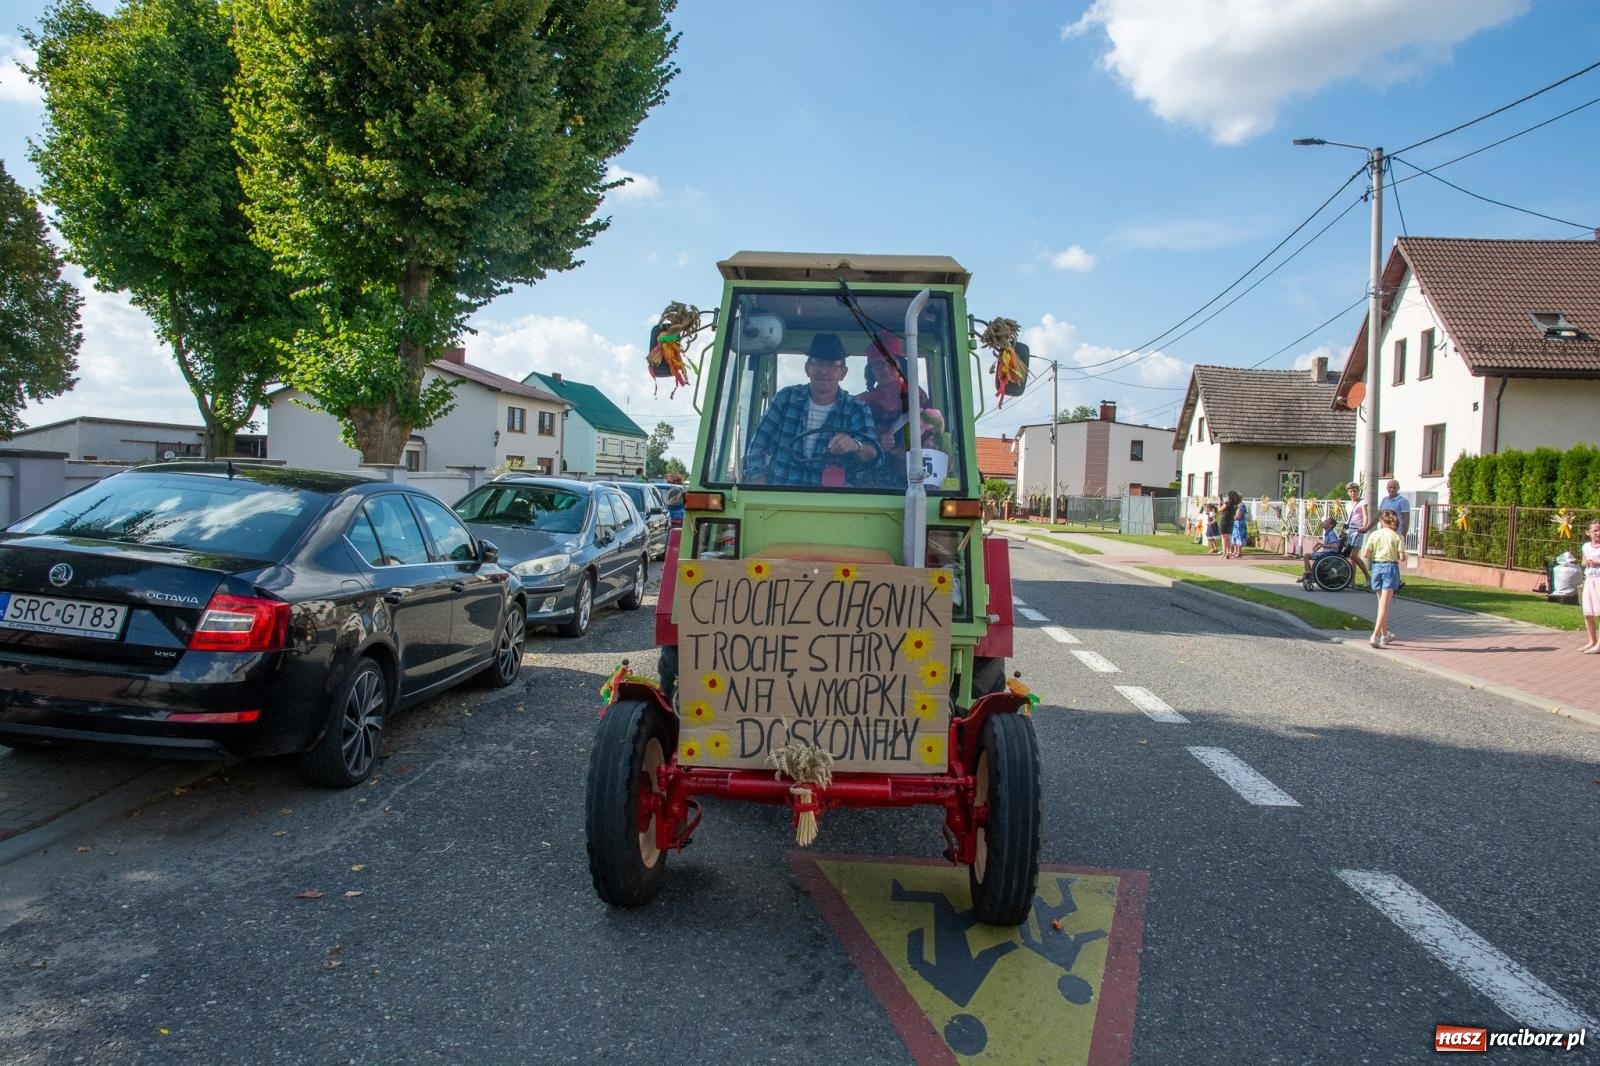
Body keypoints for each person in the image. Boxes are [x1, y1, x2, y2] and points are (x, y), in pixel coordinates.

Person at [741, 333, 879, 486]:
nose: (824, 371)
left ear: (843, 373)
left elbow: (875, 456)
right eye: (818, 363)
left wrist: (856, 445)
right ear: (807, 368)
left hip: (833, 499)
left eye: (832, 365)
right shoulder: (785, 399)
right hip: (780, 494)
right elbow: (757, 447)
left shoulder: (857, 409)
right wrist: (759, 482)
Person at [856, 329, 940, 487]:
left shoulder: (916, 396)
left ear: (901, 365)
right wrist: (878, 443)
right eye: (878, 364)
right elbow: (856, 439)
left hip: (912, 472)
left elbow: (932, 431)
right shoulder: (862, 401)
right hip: (873, 472)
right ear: (871, 371)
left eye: (890, 362)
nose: (884, 368)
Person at [1362, 509, 1406, 648]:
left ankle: (1385, 635)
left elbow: (1366, 554)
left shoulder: (1374, 534)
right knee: (1384, 606)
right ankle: (1375, 635)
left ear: (1381, 521)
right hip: (1390, 568)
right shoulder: (1397, 536)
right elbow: (1402, 557)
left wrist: (1377, 554)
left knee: (1381, 604)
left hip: (1377, 567)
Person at [1342, 481, 1371, 589]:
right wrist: (1345, 525)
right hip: (1350, 530)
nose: (1353, 493)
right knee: (1351, 558)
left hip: (1358, 530)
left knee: (1353, 555)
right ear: (1348, 492)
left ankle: (1368, 576)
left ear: (1358, 492)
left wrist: (1364, 526)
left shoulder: (1362, 502)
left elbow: (1365, 515)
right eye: (1351, 491)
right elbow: (1350, 517)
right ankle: (1352, 581)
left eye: (1355, 491)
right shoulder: (1348, 504)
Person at [1582, 520, 1600, 654]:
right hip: (1589, 580)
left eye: (1599, 530)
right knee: (1588, 613)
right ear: (1588, 533)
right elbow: (1583, 561)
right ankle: (1592, 641)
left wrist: (1597, 562)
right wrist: (1586, 562)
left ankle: (1599, 645)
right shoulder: (1586, 546)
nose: (1598, 533)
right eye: (1595, 530)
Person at [1227, 492, 1249, 559]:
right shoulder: (1238, 505)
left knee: (1239, 536)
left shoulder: (1241, 505)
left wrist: (1232, 517)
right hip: (1237, 523)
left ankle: (1239, 552)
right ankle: (1235, 551)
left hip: (1239, 523)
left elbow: (1238, 516)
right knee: (1235, 537)